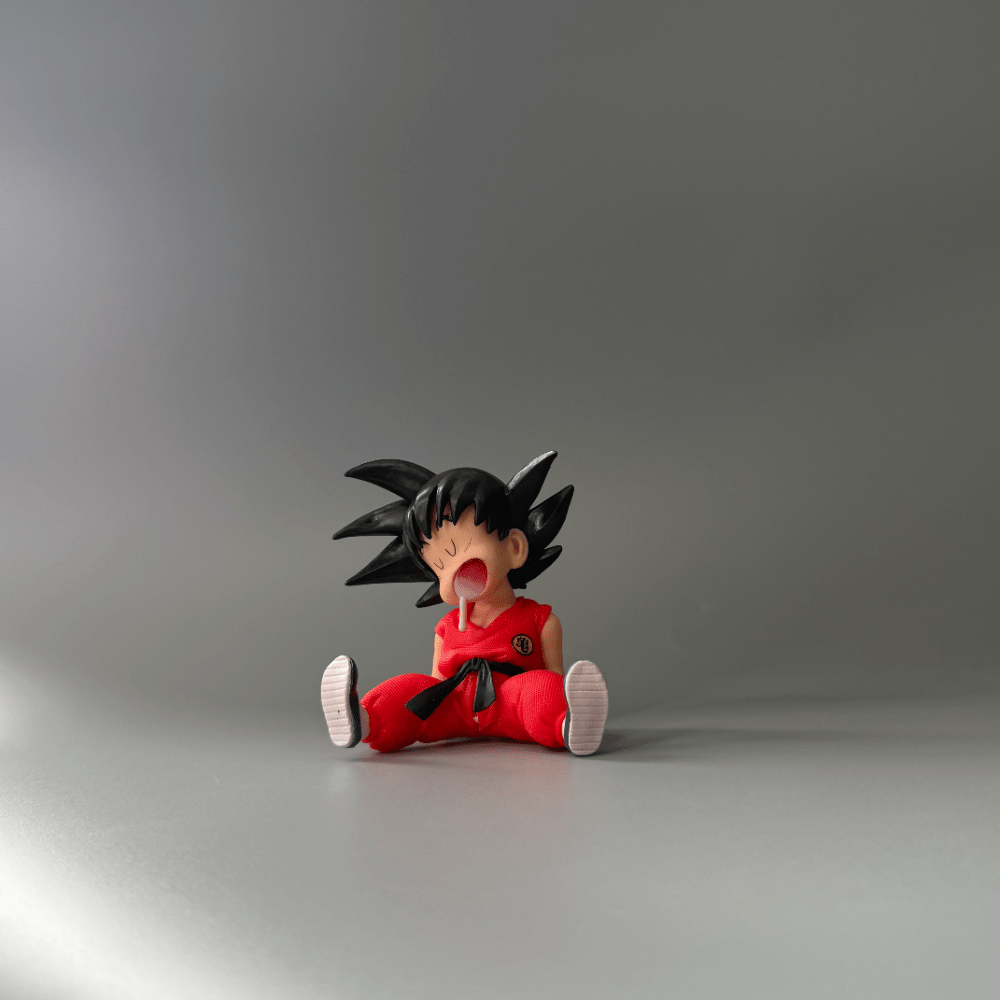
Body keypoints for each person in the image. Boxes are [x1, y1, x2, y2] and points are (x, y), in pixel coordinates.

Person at [321, 451, 608, 755]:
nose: (453, 572)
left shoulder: (541, 621)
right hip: (456, 704)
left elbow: (554, 675)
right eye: (440, 566)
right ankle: (365, 720)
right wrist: (429, 701)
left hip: (512, 704)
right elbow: (436, 681)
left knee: (539, 688)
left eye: (462, 550)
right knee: (409, 691)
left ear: (514, 548)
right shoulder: (445, 628)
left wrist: (552, 695)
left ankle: (568, 723)